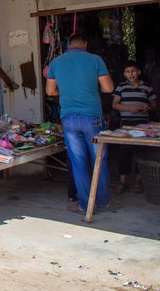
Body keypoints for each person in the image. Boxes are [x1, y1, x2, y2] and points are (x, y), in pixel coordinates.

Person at [45, 33, 115, 214]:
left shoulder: (56, 62)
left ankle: (85, 205)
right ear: (85, 43)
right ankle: (103, 201)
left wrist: (69, 91)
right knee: (99, 159)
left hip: (69, 119)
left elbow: (50, 91)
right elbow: (108, 88)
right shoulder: (95, 59)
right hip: (92, 117)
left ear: (68, 45)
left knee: (78, 163)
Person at [112, 61, 157, 194]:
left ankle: (138, 181)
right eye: (128, 71)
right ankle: (122, 181)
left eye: (133, 71)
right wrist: (129, 108)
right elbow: (115, 105)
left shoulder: (147, 87)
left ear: (139, 72)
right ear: (124, 74)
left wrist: (147, 107)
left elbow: (155, 104)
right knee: (124, 153)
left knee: (141, 153)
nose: (131, 74)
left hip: (143, 125)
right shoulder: (121, 87)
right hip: (126, 125)